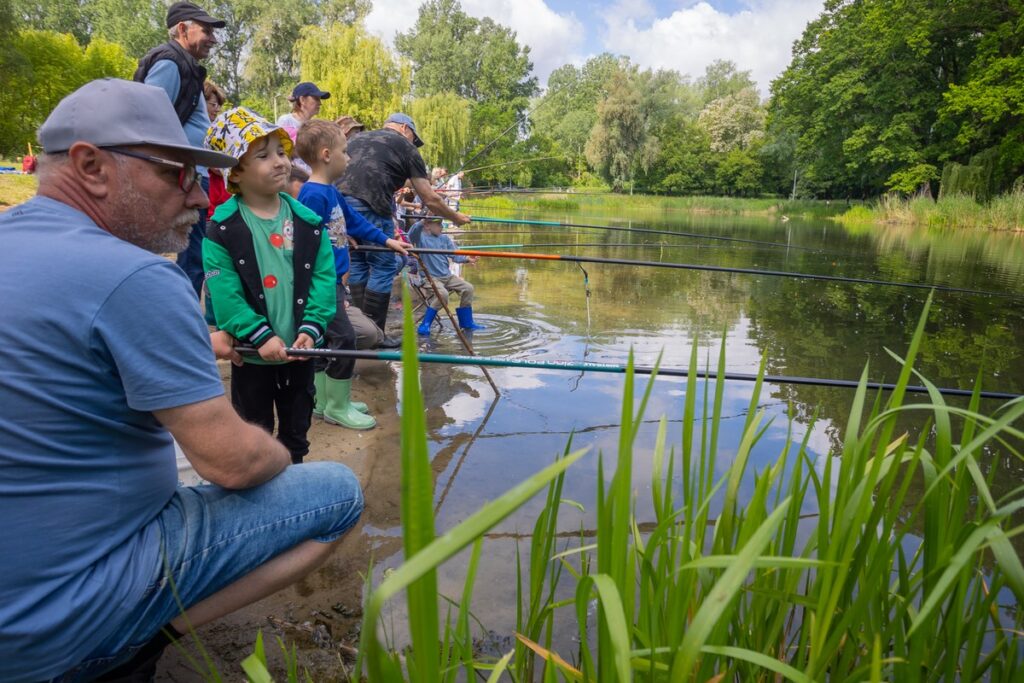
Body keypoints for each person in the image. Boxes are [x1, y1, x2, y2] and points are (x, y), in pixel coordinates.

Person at [0, 78, 363, 683]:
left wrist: (209, 342)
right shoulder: (137, 277)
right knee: (337, 494)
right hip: (56, 620)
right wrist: (279, 454)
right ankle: (139, 637)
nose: (199, 196)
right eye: (178, 174)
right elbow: (234, 463)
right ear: (92, 165)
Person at [203, 106, 337, 464]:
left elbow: (324, 280)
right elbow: (226, 296)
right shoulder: (221, 229)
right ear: (235, 172)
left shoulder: (308, 223)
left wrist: (314, 326)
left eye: (280, 151)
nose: (279, 162)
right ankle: (262, 487)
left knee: (297, 428)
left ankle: (295, 474)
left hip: (300, 351)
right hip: (251, 357)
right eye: (263, 156)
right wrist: (258, 335)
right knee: (253, 432)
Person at [295, 120, 408, 430]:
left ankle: (321, 400)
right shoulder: (313, 195)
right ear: (327, 155)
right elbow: (305, 246)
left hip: (331, 281)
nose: (350, 158)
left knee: (323, 338)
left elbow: (354, 220)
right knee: (343, 338)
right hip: (322, 282)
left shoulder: (330, 192)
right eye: (346, 152)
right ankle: (338, 405)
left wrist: (386, 240)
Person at [336, 112, 472, 333]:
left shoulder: (357, 140)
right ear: (404, 128)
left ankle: (360, 332)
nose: (413, 143)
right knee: (383, 265)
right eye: (413, 138)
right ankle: (375, 334)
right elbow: (431, 198)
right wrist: (456, 217)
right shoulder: (406, 147)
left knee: (359, 262)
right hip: (372, 205)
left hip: (340, 205)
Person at [135, 1, 224, 299]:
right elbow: (148, 119)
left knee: (192, 253)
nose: (213, 39)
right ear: (183, 29)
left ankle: (179, 313)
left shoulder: (183, 64)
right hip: (179, 176)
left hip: (188, 174)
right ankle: (178, 316)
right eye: (207, 31)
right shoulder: (170, 62)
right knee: (189, 253)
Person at [408, 216, 485, 334]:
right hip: (429, 278)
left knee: (468, 288)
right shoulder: (420, 239)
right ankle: (425, 324)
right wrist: (423, 220)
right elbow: (412, 233)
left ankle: (467, 323)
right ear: (427, 226)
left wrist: (468, 259)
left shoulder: (445, 239)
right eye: (438, 224)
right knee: (443, 294)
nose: (441, 226)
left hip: (447, 277)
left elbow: (456, 256)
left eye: (441, 223)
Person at [203, 79, 230, 218]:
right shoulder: (201, 129)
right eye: (213, 104)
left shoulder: (219, 128)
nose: (217, 109)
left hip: (222, 192)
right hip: (211, 193)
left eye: (218, 105)